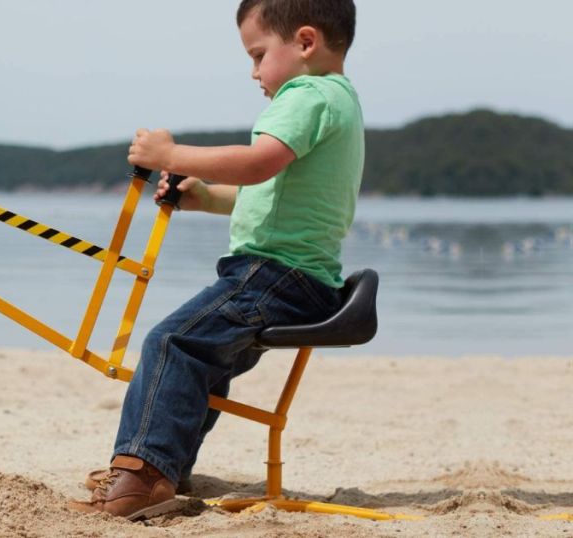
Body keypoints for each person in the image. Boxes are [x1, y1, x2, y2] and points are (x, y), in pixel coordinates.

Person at [70, 0, 364, 520]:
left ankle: (143, 475)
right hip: (297, 278)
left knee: (173, 342)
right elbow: (272, 193)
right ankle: (166, 465)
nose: (254, 72)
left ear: (304, 42)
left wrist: (170, 155)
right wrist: (204, 197)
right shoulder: (338, 100)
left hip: (274, 274)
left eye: (258, 55)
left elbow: (258, 164)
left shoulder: (307, 94)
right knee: (202, 361)